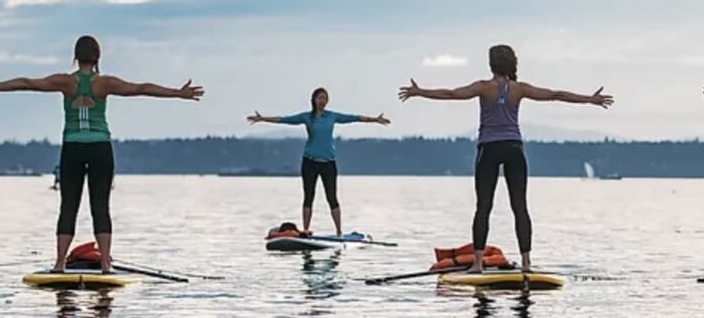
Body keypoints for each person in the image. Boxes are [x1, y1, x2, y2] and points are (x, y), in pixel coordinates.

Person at [0, 35, 204, 273]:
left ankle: (60, 263)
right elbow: (141, 88)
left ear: (76, 57)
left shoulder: (65, 82)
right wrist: (178, 93)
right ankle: (105, 265)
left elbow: (27, 82)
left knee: (68, 206)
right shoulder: (105, 83)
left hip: (73, 149)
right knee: (100, 206)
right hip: (100, 148)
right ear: (98, 57)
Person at [398, 44, 613, 273]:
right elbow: (555, 95)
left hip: (489, 150)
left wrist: (420, 92)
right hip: (513, 150)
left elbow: (451, 94)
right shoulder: (519, 89)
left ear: (491, 64)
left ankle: (478, 264)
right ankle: (527, 264)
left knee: (484, 207)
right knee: (520, 207)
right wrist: (590, 99)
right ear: (512, 63)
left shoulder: (483, 87)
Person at [247, 88, 390, 236]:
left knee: (332, 197)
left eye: (324, 98)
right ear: (314, 100)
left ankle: (339, 231)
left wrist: (374, 119)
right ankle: (306, 229)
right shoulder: (307, 117)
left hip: (328, 162)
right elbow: (285, 119)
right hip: (309, 162)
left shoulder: (332, 116)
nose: (322, 101)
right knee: (309, 196)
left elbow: (354, 118)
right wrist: (263, 118)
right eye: (319, 98)